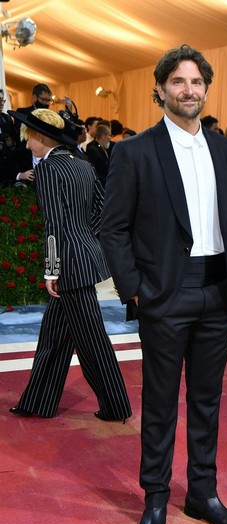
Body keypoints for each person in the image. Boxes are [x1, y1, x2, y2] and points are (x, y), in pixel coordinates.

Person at [101, 44, 227, 524]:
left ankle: (203, 494)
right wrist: (136, 289)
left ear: (205, 88)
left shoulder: (226, 149)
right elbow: (113, 229)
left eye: (197, 82)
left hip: (218, 292)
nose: (190, 90)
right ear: (162, 89)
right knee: (161, 404)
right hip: (164, 293)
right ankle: (157, 499)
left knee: (207, 402)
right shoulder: (134, 151)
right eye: (179, 82)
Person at [7, 108, 132, 421]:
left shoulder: (49, 168)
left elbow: (54, 223)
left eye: (28, 138)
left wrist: (53, 269)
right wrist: (85, 240)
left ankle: (116, 406)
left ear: (40, 136)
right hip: (83, 257)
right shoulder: (82, 163)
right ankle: (38, 402)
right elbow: (102, 210)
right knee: (53, 338)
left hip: (69, 266)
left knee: (92, 342)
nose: (25, 145)